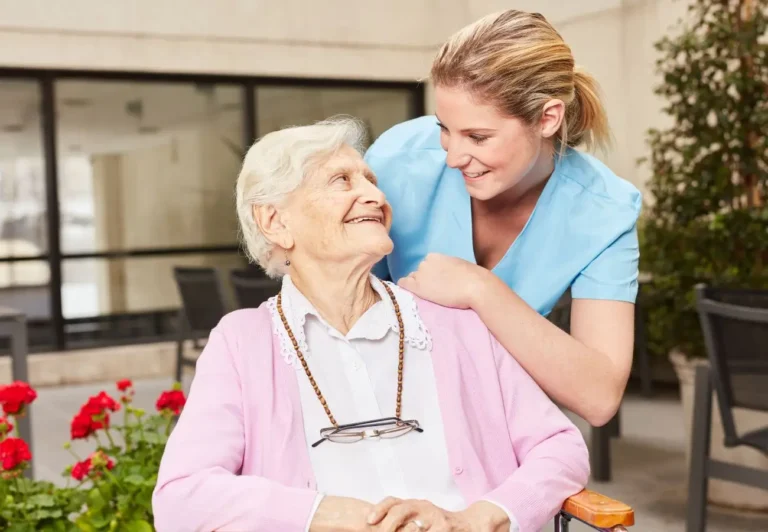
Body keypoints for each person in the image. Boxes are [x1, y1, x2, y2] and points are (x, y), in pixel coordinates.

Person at [152, 119, 589, 532]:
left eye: (371, 181)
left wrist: (480, 517)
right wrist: (329, 513)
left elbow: (559, 446)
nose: (374, 197)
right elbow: (181, 497)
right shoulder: (242, 343)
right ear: (276, 221)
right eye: (342, 181)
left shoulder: (454, 323)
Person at [365, 9, 642, 427]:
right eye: (444, 128)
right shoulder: (397, 161)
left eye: (478, 137)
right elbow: (336, 303)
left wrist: (481, 289)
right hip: (378, 407)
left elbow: (599, 395)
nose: (453, 157)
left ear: (548, 118)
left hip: (494, 419)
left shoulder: (605, 212)